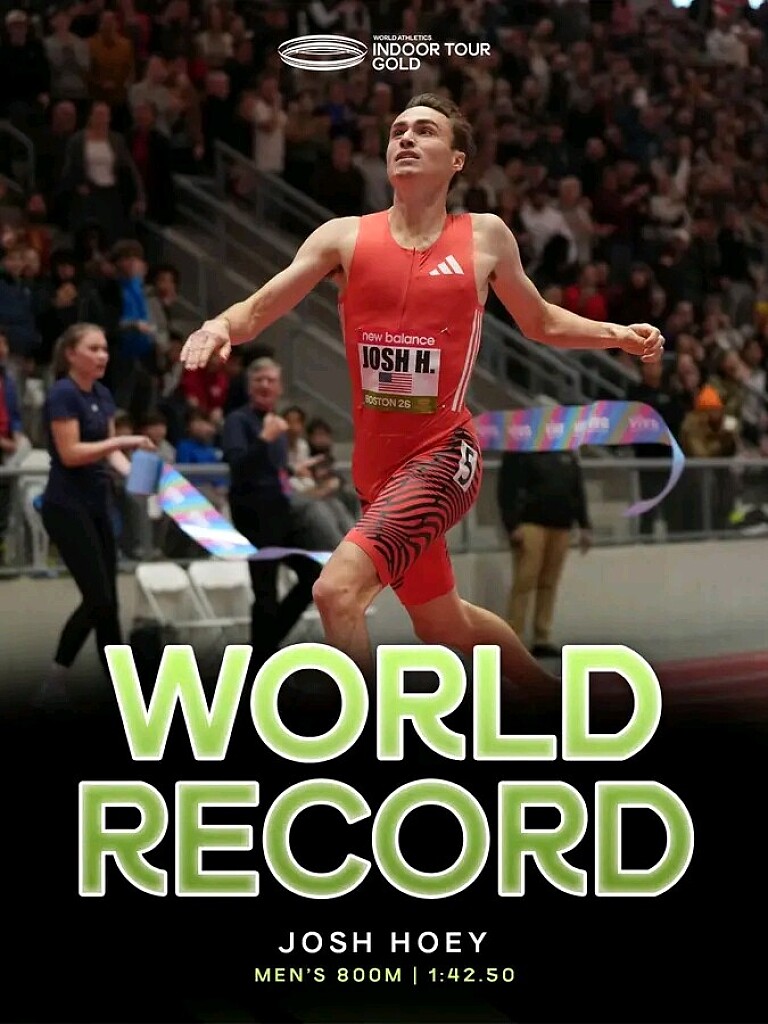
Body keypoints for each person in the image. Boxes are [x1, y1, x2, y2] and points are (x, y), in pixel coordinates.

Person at [180, 93, 664, 691]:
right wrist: (218, 325)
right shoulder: (343, 238)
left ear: (457, 160)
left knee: (335, 591)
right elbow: (258, 308)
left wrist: (617, 334)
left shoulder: (485, 236)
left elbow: (539, 321)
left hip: (443, 454)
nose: (406, 138)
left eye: (425, 131)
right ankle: (547, 702)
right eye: (398, 131)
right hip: (376, 473)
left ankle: (361, 729)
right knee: (442, 624)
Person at [36, 323, 155, 706]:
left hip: (97, 504)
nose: (103, 355)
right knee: (98, 598)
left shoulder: (102, 394)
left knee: (109, 605)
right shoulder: (63, 394)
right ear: (71, 354)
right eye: (93, 348)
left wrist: (138, 477)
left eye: (104, 348)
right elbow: (71, 453)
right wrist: (121, 440)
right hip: (66, 507)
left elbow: (111, 453)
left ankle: (122, 689)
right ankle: (53, 682)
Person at [498, 451, 591, 658]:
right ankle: (513, 636)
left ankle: (542, 637)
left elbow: (577, 489)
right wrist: (511, 524)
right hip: (530, 523)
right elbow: (506, 489)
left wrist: (584, 524)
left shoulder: (567, 453)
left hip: (561, 524)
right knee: (525, 580)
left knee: (549, 582)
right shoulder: (519, 450)